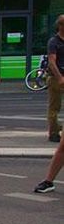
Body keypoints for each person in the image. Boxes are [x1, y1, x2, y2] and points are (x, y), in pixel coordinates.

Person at [46, 14, 64, 143]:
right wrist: (59, 77)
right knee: (54, 107)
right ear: (60, 26)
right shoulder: (54, 42)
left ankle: (58, 129)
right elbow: (52, 62)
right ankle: (53, 132)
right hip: (55, 77)